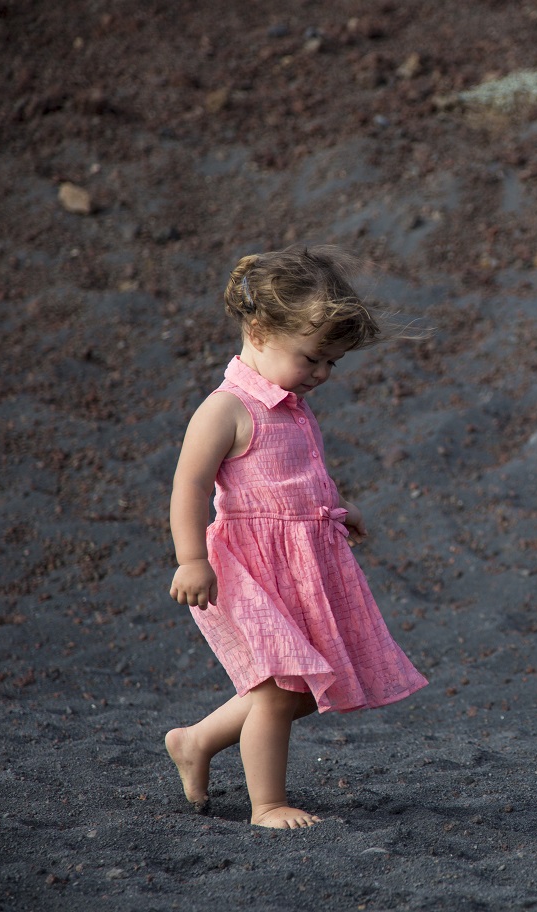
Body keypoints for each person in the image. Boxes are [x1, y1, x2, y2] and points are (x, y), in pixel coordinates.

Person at [164, 246, 428, 829]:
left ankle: (197, 741)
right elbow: (189, 485)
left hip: (304, 560)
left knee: (310, 685)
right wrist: (190, 560)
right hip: (250, 567)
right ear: (258, 330)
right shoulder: (227, 409)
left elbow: (295, 481)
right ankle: (267, 804)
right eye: (313, 358)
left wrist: (337, 510)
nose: (322, 374)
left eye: (332, 363)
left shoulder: (292, 407)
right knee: (282, 690)